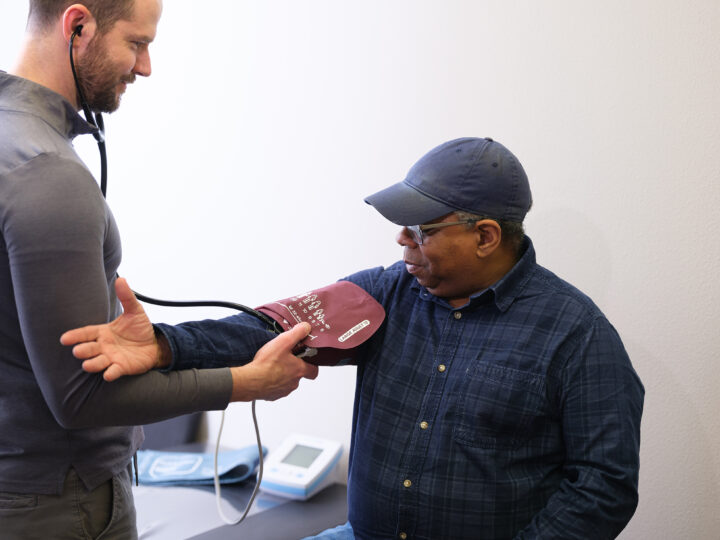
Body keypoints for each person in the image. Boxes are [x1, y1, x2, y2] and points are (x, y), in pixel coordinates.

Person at [63, 137, 645, 539]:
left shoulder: (576, 336)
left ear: (486, 236)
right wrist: (163, 346)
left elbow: (604, 486)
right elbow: (263, 330)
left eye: (421, 229)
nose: (400, 241)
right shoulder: (382, 297)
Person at [0, 1, 317, 538]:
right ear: (77, 25)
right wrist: (248, 382)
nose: (144, 67)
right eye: (137, 43)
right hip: (58, 502)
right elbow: (80, 399)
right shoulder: (49, 173)